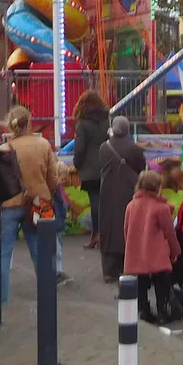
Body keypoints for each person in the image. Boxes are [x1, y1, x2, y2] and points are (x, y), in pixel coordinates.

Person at [0, 106, 67, 304]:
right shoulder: (43, 145)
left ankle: (2, 300)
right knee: (41, 251)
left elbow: (0, 182)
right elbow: (52, 179)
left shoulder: (4, 149)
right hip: (38, 203)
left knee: (4, 254)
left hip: (10, 205)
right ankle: (47, 298)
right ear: (29, 123)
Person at [122, 170, 182, 324]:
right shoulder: (161, 208)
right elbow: (170, 233)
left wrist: (130, 248)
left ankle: (144, 311)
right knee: (162, 282)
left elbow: (126, 230)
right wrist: (175, 251)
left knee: (140, 284)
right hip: (157, 255)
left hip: (137, 254)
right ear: (157, 187)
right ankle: (162, 311)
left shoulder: (130, 205)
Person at [97, 115, 146, 282]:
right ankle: (128, 266)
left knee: (108, 226)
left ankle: (109, 270)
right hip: (129, 191)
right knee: (128, 226)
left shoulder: (104, 147)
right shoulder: (135, 149)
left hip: (108, 191)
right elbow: (141, 168)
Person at [72, 90, 111, 250]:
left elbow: (80, 148)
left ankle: (96, 235)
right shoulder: (106, 120)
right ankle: (105, 235)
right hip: (107, 164)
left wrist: (77, 164)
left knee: (95, 201)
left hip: (89, 168)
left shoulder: (82, 123)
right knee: (106, 202)